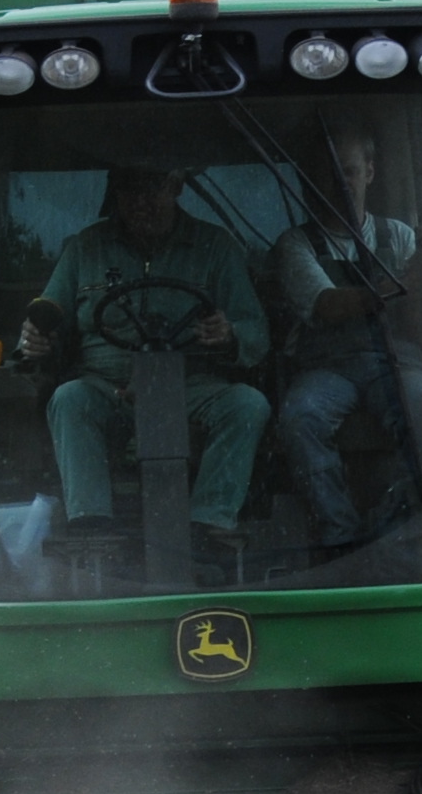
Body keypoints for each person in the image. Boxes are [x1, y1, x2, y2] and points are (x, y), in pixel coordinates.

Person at [18, 165, 269, 559]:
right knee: (69, 399)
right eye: (128, 189)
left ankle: (209, 522)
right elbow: (47, 317)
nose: (140, 202)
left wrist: (229, 333)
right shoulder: (84, 248)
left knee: (247, 405)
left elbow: (256, 331)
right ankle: (91, 525)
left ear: (176, 185)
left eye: (152, 187)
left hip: (191, 386)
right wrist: (34, 340)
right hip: (106, 385)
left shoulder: (215, 247)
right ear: (114, 193)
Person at [261, 124, 421, 549]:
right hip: (327, 366)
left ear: (370, 172)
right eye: (329, 173)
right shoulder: (297, 243)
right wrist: (404, 282)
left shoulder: (399, 236)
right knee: (299, 417)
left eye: (349, 171)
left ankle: (409, 517)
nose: (340, 182)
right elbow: (327, 304)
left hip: (392, 359)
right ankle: (341, 535)